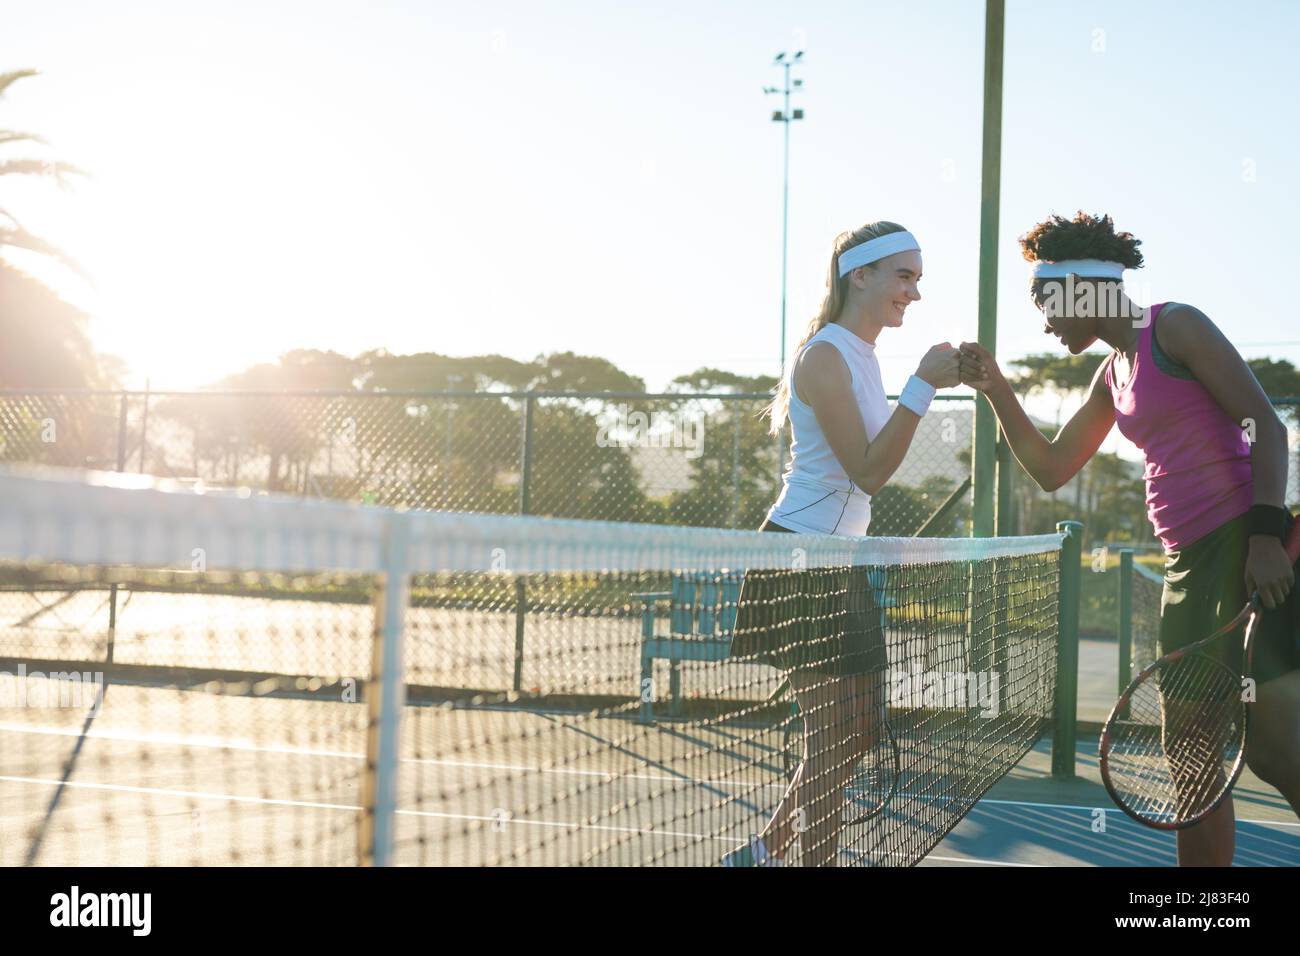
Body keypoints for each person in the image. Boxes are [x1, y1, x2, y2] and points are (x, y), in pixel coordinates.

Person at [958, 210, 1299, 866]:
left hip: (1246, 547)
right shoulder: (1111, 373)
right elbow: (1054, 468)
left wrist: (1262, 538)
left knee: (1275, 749)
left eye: (1045, 302)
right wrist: (994, 386)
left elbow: (1266, 425)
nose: (1046, 321)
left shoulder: (1176, 327)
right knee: (1191, 758)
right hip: (1187, 566)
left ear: (1082, 287)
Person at [722, 221, 961, 866]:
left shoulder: (861, 351)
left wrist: (924, 381)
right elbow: (870, 469)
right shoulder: (825, 354)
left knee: (853, 734)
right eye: (903, 276)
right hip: (799, 557)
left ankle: (764, 851)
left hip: (838, 559)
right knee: (832, 737)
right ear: (860, 275)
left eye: (917, 280)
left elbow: (869, 472)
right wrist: (925, 384)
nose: (913, 293)